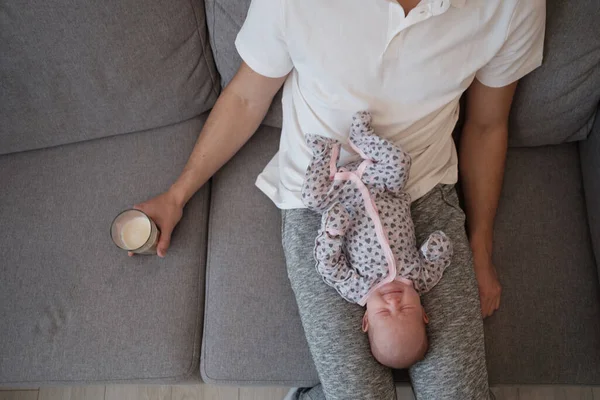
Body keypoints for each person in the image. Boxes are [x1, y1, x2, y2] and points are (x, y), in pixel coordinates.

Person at [131, 0, 545, 398]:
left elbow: (488, 124)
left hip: (424, 195)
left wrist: (481, 242)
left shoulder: (511, 5)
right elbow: (245, 98)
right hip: (323, 205)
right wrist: (177, 194)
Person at [302, 111, 453, 370]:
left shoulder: (357, 289)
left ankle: (324, 153)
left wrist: (332, 233)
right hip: (385, 189)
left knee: (311, 198)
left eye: (384, 313)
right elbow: (441, 254)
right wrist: (437, 248)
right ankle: (362, 138)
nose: (394, 303)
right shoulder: (421, 279)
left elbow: (328, 265)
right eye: (405, 310)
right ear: (423, 313)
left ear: (366, 321)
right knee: (399, 161)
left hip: (343, 200)